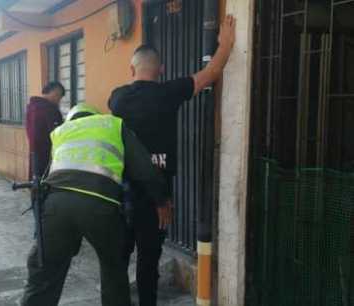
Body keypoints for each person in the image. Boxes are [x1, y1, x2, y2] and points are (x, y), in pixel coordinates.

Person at [108, 15, 236, 306]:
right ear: (161, 70)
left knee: (118, 258)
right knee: (148, 262)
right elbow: (211, 73)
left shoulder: (116, 98)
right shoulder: (168, 92)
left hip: (121, 192)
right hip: (158, 197)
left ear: (131, 69)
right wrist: (226, 45)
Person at [21, 104, 167, 306]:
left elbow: (50, 171)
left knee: (45, 273)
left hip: (56, 204)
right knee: (113, 270)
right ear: (95, 115)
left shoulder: (59, 132)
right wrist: (161, 199)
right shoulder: (112, 124)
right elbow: (144, 169)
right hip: (99, 206)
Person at [25, 82, 65, 178]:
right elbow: (58, 132)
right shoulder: (49, 109)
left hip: (34, 151)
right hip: (47, 152)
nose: (58, 99)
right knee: (46, 180)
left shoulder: (32, 106)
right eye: (57, 95)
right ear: (51, 92)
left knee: (36, 181)